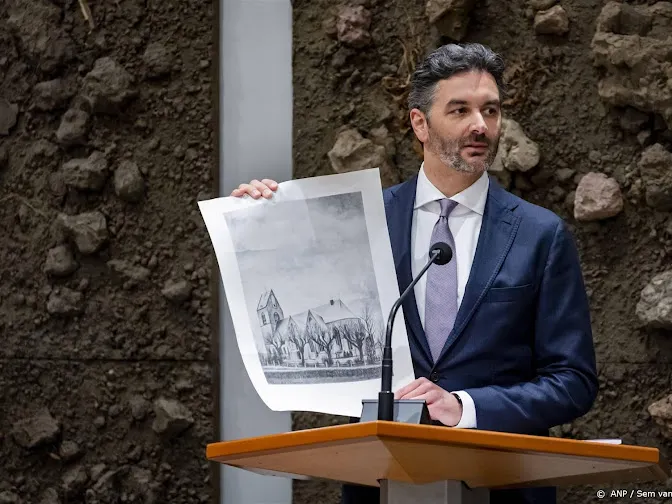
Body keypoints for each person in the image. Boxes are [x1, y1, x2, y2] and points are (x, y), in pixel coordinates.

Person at [232, 43, 598, 504]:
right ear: (419, 123)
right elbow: (290, 297)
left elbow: (573, 380)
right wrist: (260, 217)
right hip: (383, 486)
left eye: (491, 110)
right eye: (460, 110)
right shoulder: (363, 224)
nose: (480, 125)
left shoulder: (539, 234)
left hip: (502, 486)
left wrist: (464, 406)